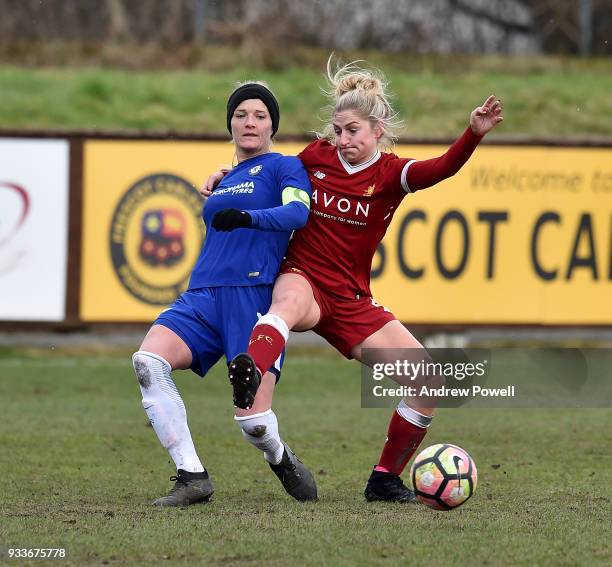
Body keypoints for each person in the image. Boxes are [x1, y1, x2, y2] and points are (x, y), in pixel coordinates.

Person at [202, 59, 503, 502]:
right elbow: (267, 175)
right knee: (285, 305)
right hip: (304, 276)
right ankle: (249, 368)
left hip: (351, 300)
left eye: (352, 131)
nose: (343, 141)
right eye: (338, 131)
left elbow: (442, 168)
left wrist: (472, 134)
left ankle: (383, 479)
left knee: (429, 383)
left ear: (377, 129)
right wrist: (228, 177)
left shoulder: (390, 175)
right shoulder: (315, 159)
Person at [132, 81, 317, 507]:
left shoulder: (284, 167)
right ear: (229, 123)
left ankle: (279, 455)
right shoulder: (226, 175)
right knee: (147, 362)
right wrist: (226, 182)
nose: (249, 122)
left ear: (273, 125)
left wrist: (247, 216)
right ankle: (192, 475)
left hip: (250, 298)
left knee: (252, 422)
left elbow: (298, 212)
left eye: (260, 116)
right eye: (240, 115)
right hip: (202, 293)